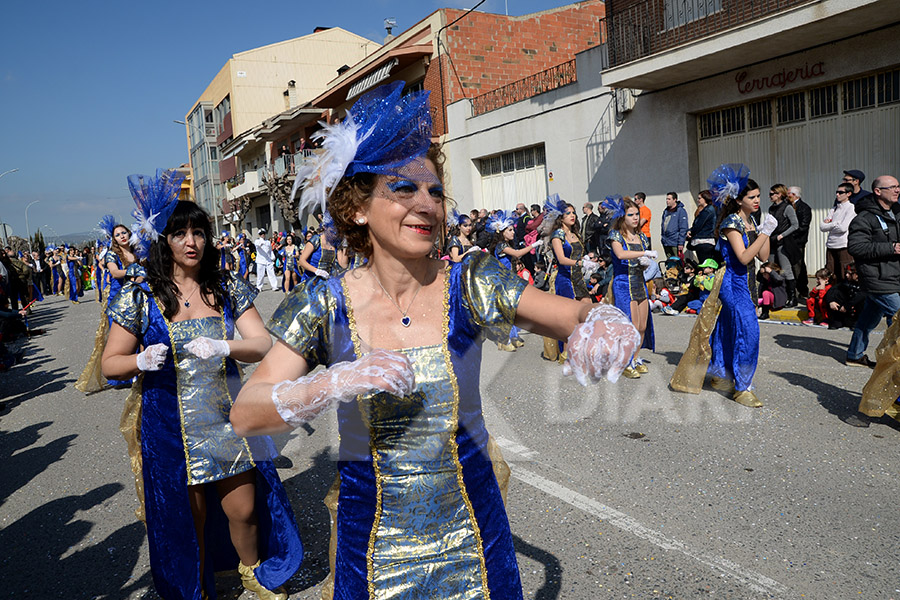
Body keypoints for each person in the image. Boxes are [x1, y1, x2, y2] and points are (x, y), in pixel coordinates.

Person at [229, 81, 640, 600]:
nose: (426, 204)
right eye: (403, 189)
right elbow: (246, 413)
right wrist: (333, 383)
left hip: (474, 536)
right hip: (372, 545)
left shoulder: (472, 282)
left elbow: (569, 314)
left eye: (435, 192)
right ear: (357, 208)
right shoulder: (324, 303)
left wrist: (601, 315)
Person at [101, 171, 303, 600]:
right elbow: (109, 364)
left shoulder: (225, 285)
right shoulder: (140, 296)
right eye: (180, 233)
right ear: (164, 240)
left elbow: (262, 342)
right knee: (186, 520)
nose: (191, 241)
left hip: (226, 418)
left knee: (244, 509)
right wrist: (139, 359)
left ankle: (252, 573)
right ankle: (198, 588)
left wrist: (226, 345)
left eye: (199, 232)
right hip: (169, 426)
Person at [670, 164, 777, 407]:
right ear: (739, 200)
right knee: (748, 333)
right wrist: (763, 233)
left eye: (759, 196)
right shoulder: (731, 222)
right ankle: (743, 387)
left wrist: (765, 232)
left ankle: (721, 374)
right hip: (733, 284)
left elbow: (763, 256)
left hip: (749, 284)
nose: (757, 200)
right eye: (752, 197)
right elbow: (743, 257)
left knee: (728, 329)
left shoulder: (751, 220)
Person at [76, 217, 140, 392]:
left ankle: (139, 370)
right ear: (114, 239)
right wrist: (133, 271)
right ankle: (121, 376)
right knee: (121, 337)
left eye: (123, 233)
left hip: (138, 295)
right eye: (118, 235)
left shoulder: (138, 251)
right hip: (119, 300)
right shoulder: (112, 254)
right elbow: (115, 272)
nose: (122, 236)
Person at [844, 175, 900, 368]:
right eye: (892, 187)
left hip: (893, 276)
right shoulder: (864, 218)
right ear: (878, 191)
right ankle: (891, 364)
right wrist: (891, 248)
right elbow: (856, 247)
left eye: (898, 186)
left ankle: (854, 355)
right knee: (898, 318)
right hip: (877, 279)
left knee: (869, 318)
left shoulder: (896, 213)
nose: (897, 190)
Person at [604, 194, 656, 378]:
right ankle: (624, 362)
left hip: (639, 282)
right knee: (631, 325)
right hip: (623, 283)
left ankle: (635, 357)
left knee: (642, 326)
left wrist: (645, 262)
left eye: (637, 214)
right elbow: (620, 254)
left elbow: (640, 260)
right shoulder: (615, 235)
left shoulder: (640, 235)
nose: (635, 218)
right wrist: (644, 253)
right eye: (631, 215)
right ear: (622, 217)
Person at [540, 196, 588, 361]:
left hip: (578, 278)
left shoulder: (575, 234)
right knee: (570, 319)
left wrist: (589, 260)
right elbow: (561, 259)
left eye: (573, 213)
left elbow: (578, 255)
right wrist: (581, 263)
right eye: (568, 213)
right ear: (561, 217)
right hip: (565, 279)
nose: (572, 216)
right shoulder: (557, 235)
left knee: (588, 312)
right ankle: (566, 353)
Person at [488, 210, 543, 351]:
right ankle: (504, 340)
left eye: (513, 230)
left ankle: (512, 336)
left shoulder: (506, 244)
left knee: (513, 308)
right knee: (507, 309)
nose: (513, 232)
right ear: (502, 232)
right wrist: (534, 245)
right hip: (502, 280)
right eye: (510, 230)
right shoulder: (501, 245)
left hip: (509, 278)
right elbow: (518, 254)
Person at [767, 184, 800, 307]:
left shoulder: (787, 208)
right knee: (771, 267)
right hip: (772, 241)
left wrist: (782, 235)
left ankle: (792, 297)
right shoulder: (771, 209)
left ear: (779, 194)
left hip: (783, 242)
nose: (770, 196)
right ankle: (775, 294)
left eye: (772, 194)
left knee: (786, 270)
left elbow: (795, 225)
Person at [820, 182, 856, 283]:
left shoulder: (851, 208)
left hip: (843, 245)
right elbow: (822, 227)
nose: (837, 195)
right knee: (830, 272)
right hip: (831, 244)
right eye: (837, 192)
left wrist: (830, 225)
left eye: (840, 192)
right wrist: (835, 223)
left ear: (848, 194)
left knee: (844, 272)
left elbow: (843, 228)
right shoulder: (834, 208)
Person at [823, 263, 864, 330]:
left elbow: (860, 296)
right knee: (837, 293)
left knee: (861, 300)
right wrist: (831, 301)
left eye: (849, 273)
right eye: (846, 273)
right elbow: (832, 290)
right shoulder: (845, 282)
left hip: (857, 312)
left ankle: (858, 322)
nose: (846, 275)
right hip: (846, 311)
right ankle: (837, 320)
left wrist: (846, 306)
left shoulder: (864, 284)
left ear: (856, 274)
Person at [788, 186, 811, 299]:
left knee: (798, 266)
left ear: (794, 195)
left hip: (797, 242)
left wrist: (790, 233)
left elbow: (803, 226)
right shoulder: (788, 207)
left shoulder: (804, 208)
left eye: (789, 194)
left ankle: (802, 290)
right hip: (788, 241)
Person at [660, 192, 688, 260]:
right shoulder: (666, 211)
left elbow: (683, 227)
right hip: (666, 242)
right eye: (666, 199)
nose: (667, 201)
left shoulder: (680, 211)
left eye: (669, 199)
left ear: (675, 199)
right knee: (670, 262)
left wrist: (681, 243)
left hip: (675, 242)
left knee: (678, 261)